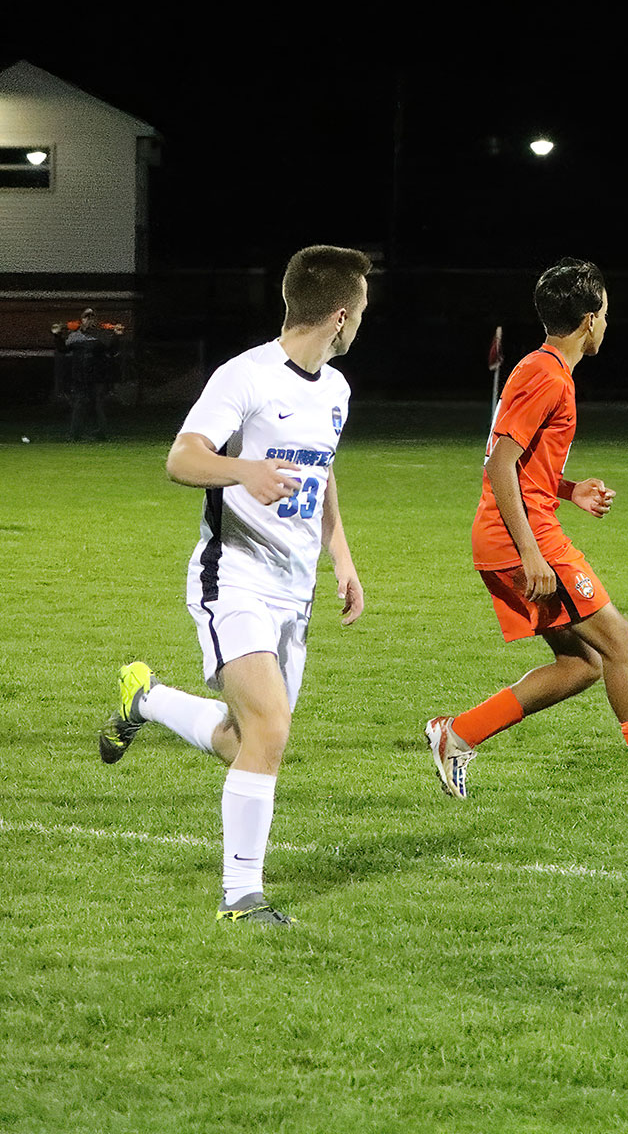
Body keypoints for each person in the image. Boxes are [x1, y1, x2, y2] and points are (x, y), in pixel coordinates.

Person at [102, 246, 373, 925]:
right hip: (235, 578)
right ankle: (241, 898)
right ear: (339, 315)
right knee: (271, 730)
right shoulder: (244, 377)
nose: (363, 320)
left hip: (295, 591)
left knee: (246, 737)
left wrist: (341, 557)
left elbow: (323, 474)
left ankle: (147, 698)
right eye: (362, 309)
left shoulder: (335, 390)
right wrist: (244, 471)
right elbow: (181, 457)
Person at [425, 257, 628, 809]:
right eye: (607, 315)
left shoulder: (542, 369)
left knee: (584, 664)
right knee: (624, 644)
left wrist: (570, 491)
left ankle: (457, 734)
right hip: (524, 539)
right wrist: (531, 553)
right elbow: (499, 464)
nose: (609, 325)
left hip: (517, 532)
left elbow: (520, 463)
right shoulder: (546, 375)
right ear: (590, 320)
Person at [58, 308, 120, 441]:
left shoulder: (101, 336)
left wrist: (116, 336)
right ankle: (76, 434)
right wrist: (57, 336)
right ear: (82, 320)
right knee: (80, 404)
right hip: (80, 377)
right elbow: (63, 349)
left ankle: (99, 433)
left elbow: (112, 352)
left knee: (96, 404)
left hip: (97, 377)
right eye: (87, 317)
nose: (89, 320)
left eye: (92, 317)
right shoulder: (75, 336)